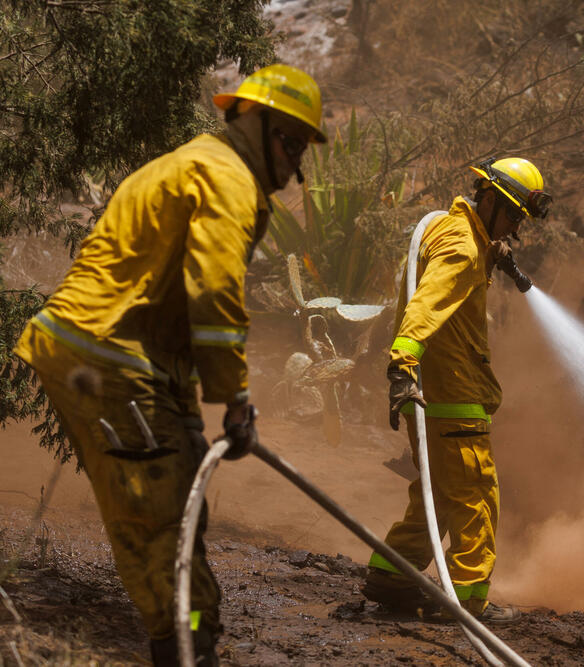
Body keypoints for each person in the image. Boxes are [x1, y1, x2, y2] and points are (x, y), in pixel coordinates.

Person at [13, 64, 326, 665]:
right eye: (290, 144)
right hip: (109, 355)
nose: (294, 167)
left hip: (109, 352)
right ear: (255, 123)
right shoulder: (227, 178)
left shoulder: (190, 163)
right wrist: (235, 399)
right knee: (160, 524)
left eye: (301, 151)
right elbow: (212, 291)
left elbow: (165, 303)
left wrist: (187, 410)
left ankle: (188, 633)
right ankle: (186, 647)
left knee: (175, 501)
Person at [361, 156, 552, 623]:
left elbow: (436, 279)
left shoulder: (449, 230)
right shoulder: (464, 248)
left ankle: (393, 576)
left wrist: (490, 253)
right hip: (453, 397)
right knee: (475, 497)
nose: (514, 229)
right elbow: (426, 305)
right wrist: (403, 364)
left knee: (440, 493)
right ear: (489, 201)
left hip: (435, 396)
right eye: (512, 216)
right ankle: (466, 600)